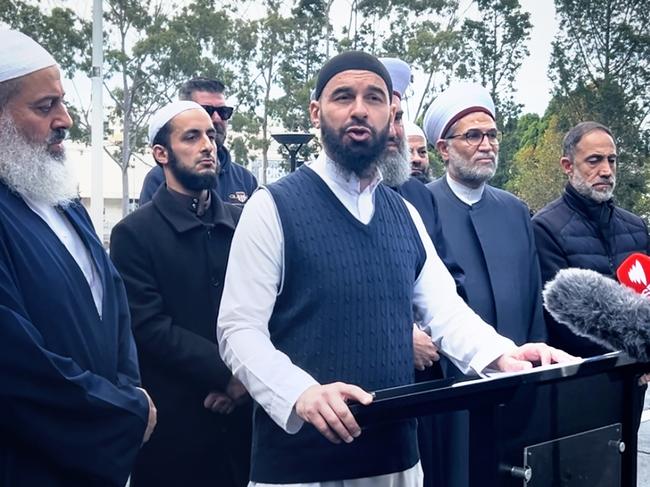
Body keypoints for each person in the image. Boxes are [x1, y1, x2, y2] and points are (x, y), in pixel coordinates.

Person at [217, 50, 572, 487]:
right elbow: (238, 329)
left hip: (395, 461)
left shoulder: (404, 214)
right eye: (343, 96)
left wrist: (503, 353)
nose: (359, 109)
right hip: (299, 465)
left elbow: (446, 313)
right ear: (316, 112)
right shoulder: (272, 207)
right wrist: (300, 393)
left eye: (374, 97)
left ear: (391, 112)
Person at [0, 29, 155, 486]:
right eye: (44, 106)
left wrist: (128, 392)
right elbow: (14, 360)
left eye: (62, 103)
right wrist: (121, 410)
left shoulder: (64, 202)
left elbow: (116, 309)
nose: (65, 119)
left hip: (103, 446)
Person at [110, 101, 251, 486]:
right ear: (161, 154)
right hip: (176, 432)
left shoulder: (244, 224)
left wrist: (244, 383)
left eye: (209, 134)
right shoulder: (133, 234)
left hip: (245, 428)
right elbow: (149, 326)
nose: (208, 145)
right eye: (191, 137)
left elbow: (267, 309)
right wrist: (225, 376)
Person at [423, 82, 547, 487]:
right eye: (473, 135)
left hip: (514, 388)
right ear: (443, 148)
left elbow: (533, 302)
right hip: (449, 392)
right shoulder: (419, 207)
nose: (487, 144)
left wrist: (533, 377)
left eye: (492, 134)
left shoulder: (514, 210)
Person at [532, 121, 650, 357]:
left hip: (639, 377)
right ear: (568, 165)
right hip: (583, 376)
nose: (606, 170)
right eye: (594, 160)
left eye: (612, 160)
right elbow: (558, 320)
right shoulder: (545, 228)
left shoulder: (636, 226)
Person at [139, 78, 257, 206]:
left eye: (224, 112)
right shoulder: (158, 178)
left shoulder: (245, 180)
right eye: (207, 111)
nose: (216, 119)